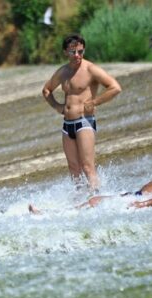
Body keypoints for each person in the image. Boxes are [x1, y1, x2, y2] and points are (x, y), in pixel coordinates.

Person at [29, 143, 152, 214]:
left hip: (141, 199)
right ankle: (53, 214)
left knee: (93, 202)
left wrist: (143, 205)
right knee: (93, 201)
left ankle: (50, 215)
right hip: (138, 196)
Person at [42, 33, 122, 193]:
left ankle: (96, 198)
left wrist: (94, 102)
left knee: (87, 166)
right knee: (73, 168)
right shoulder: (63, 72)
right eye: (73, 52)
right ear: (66, 52)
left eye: (80, 51)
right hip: (67, 125)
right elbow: (46, 90)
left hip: (84, 122)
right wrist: (57, 106)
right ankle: (79, 200)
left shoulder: (91, 69)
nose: (77, 55)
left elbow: (115, 87)